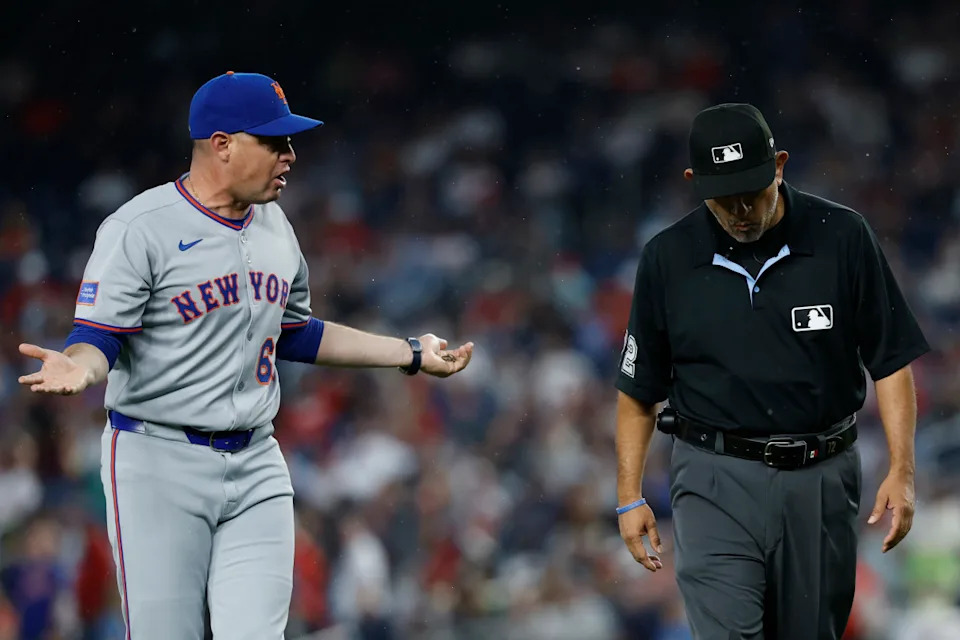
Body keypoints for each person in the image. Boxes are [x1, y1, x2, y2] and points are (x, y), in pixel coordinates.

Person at [17, 71, 474, 640]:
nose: (291, 155)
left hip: (257, 460)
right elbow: (100, 338)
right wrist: (79, 367)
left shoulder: (276, 226)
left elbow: (296, 333)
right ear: (222, 144)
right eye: (275, 142)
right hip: (158, 460)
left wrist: (408, 353)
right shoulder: (141, 227)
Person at [614, 103, 929, 639]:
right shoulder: (667, 259)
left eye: (752, 193)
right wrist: (629, 494)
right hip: (712, 475)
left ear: (780, 165)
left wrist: (902, 469)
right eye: (723, 197)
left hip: (822, 475)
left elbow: (891, 362)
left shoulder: (842, 237)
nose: (740, 210)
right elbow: (639, 391)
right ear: (694, 182)